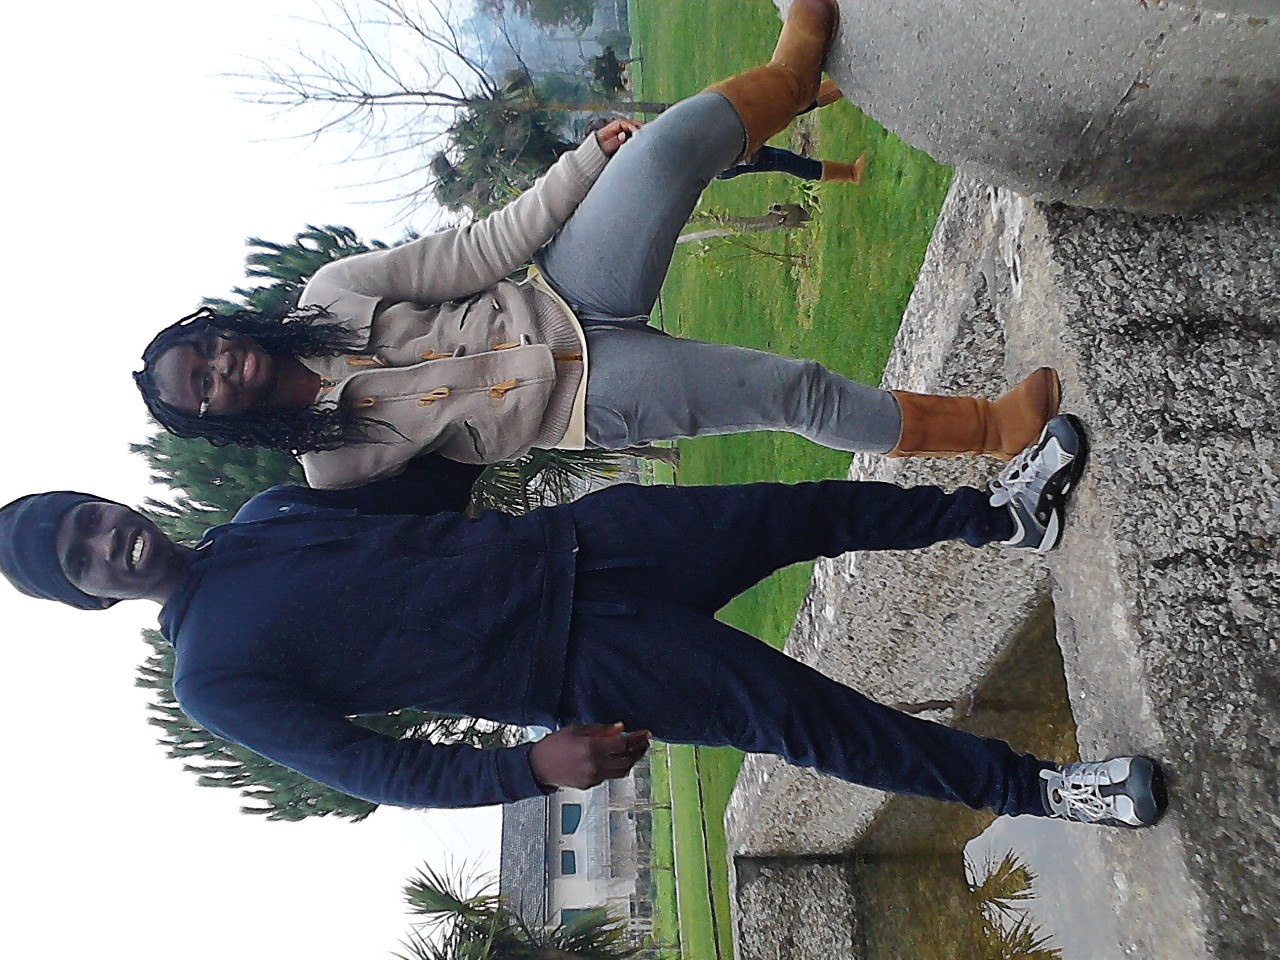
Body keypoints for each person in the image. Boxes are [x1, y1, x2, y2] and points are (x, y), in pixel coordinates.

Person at [0, 416, 1168, 827]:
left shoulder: (265, 516)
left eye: (91, 518)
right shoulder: (209, 676)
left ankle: (1001, 516)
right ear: (90, 598)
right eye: (82, 560)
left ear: (111, 500)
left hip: (587, 543)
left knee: (798, 507)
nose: (108, 541)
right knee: (806, 718)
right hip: (580, 658)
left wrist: (497, 386)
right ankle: (1043, 792)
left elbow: (433, 492)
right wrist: (528, 769)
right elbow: (370, 768)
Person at [132, 0, 1060, 490]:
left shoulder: (333, 293)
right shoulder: (334, 468)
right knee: (791, 392)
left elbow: (479, 250)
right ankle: (990, 432)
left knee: (660, 150)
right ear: (216, 420)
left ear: (223, 327)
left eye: (206, 350)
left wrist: (580, 165)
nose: (221, 369)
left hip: (566, 289)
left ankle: (793, 69)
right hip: (589, 402)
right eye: (202, 388)